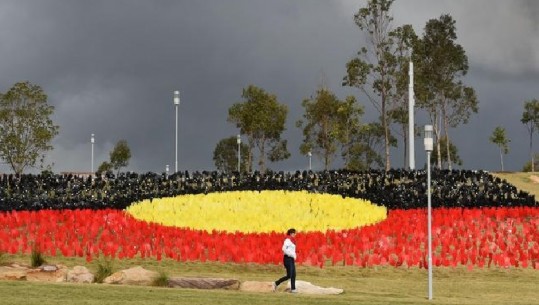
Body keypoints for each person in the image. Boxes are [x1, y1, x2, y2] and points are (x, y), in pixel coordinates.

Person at [273, 228, 297, 293]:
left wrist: (294, 256)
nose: (295, 234)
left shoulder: (292, 241)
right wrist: (291, 254)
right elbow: (284, 249)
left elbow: (292, 250)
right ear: (291, 233)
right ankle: (276, 283)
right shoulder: (287, 240)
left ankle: (293, 289)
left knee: (293, 274)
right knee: (290, 275)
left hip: (291, 259)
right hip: (287, 259)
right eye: (294, 233)